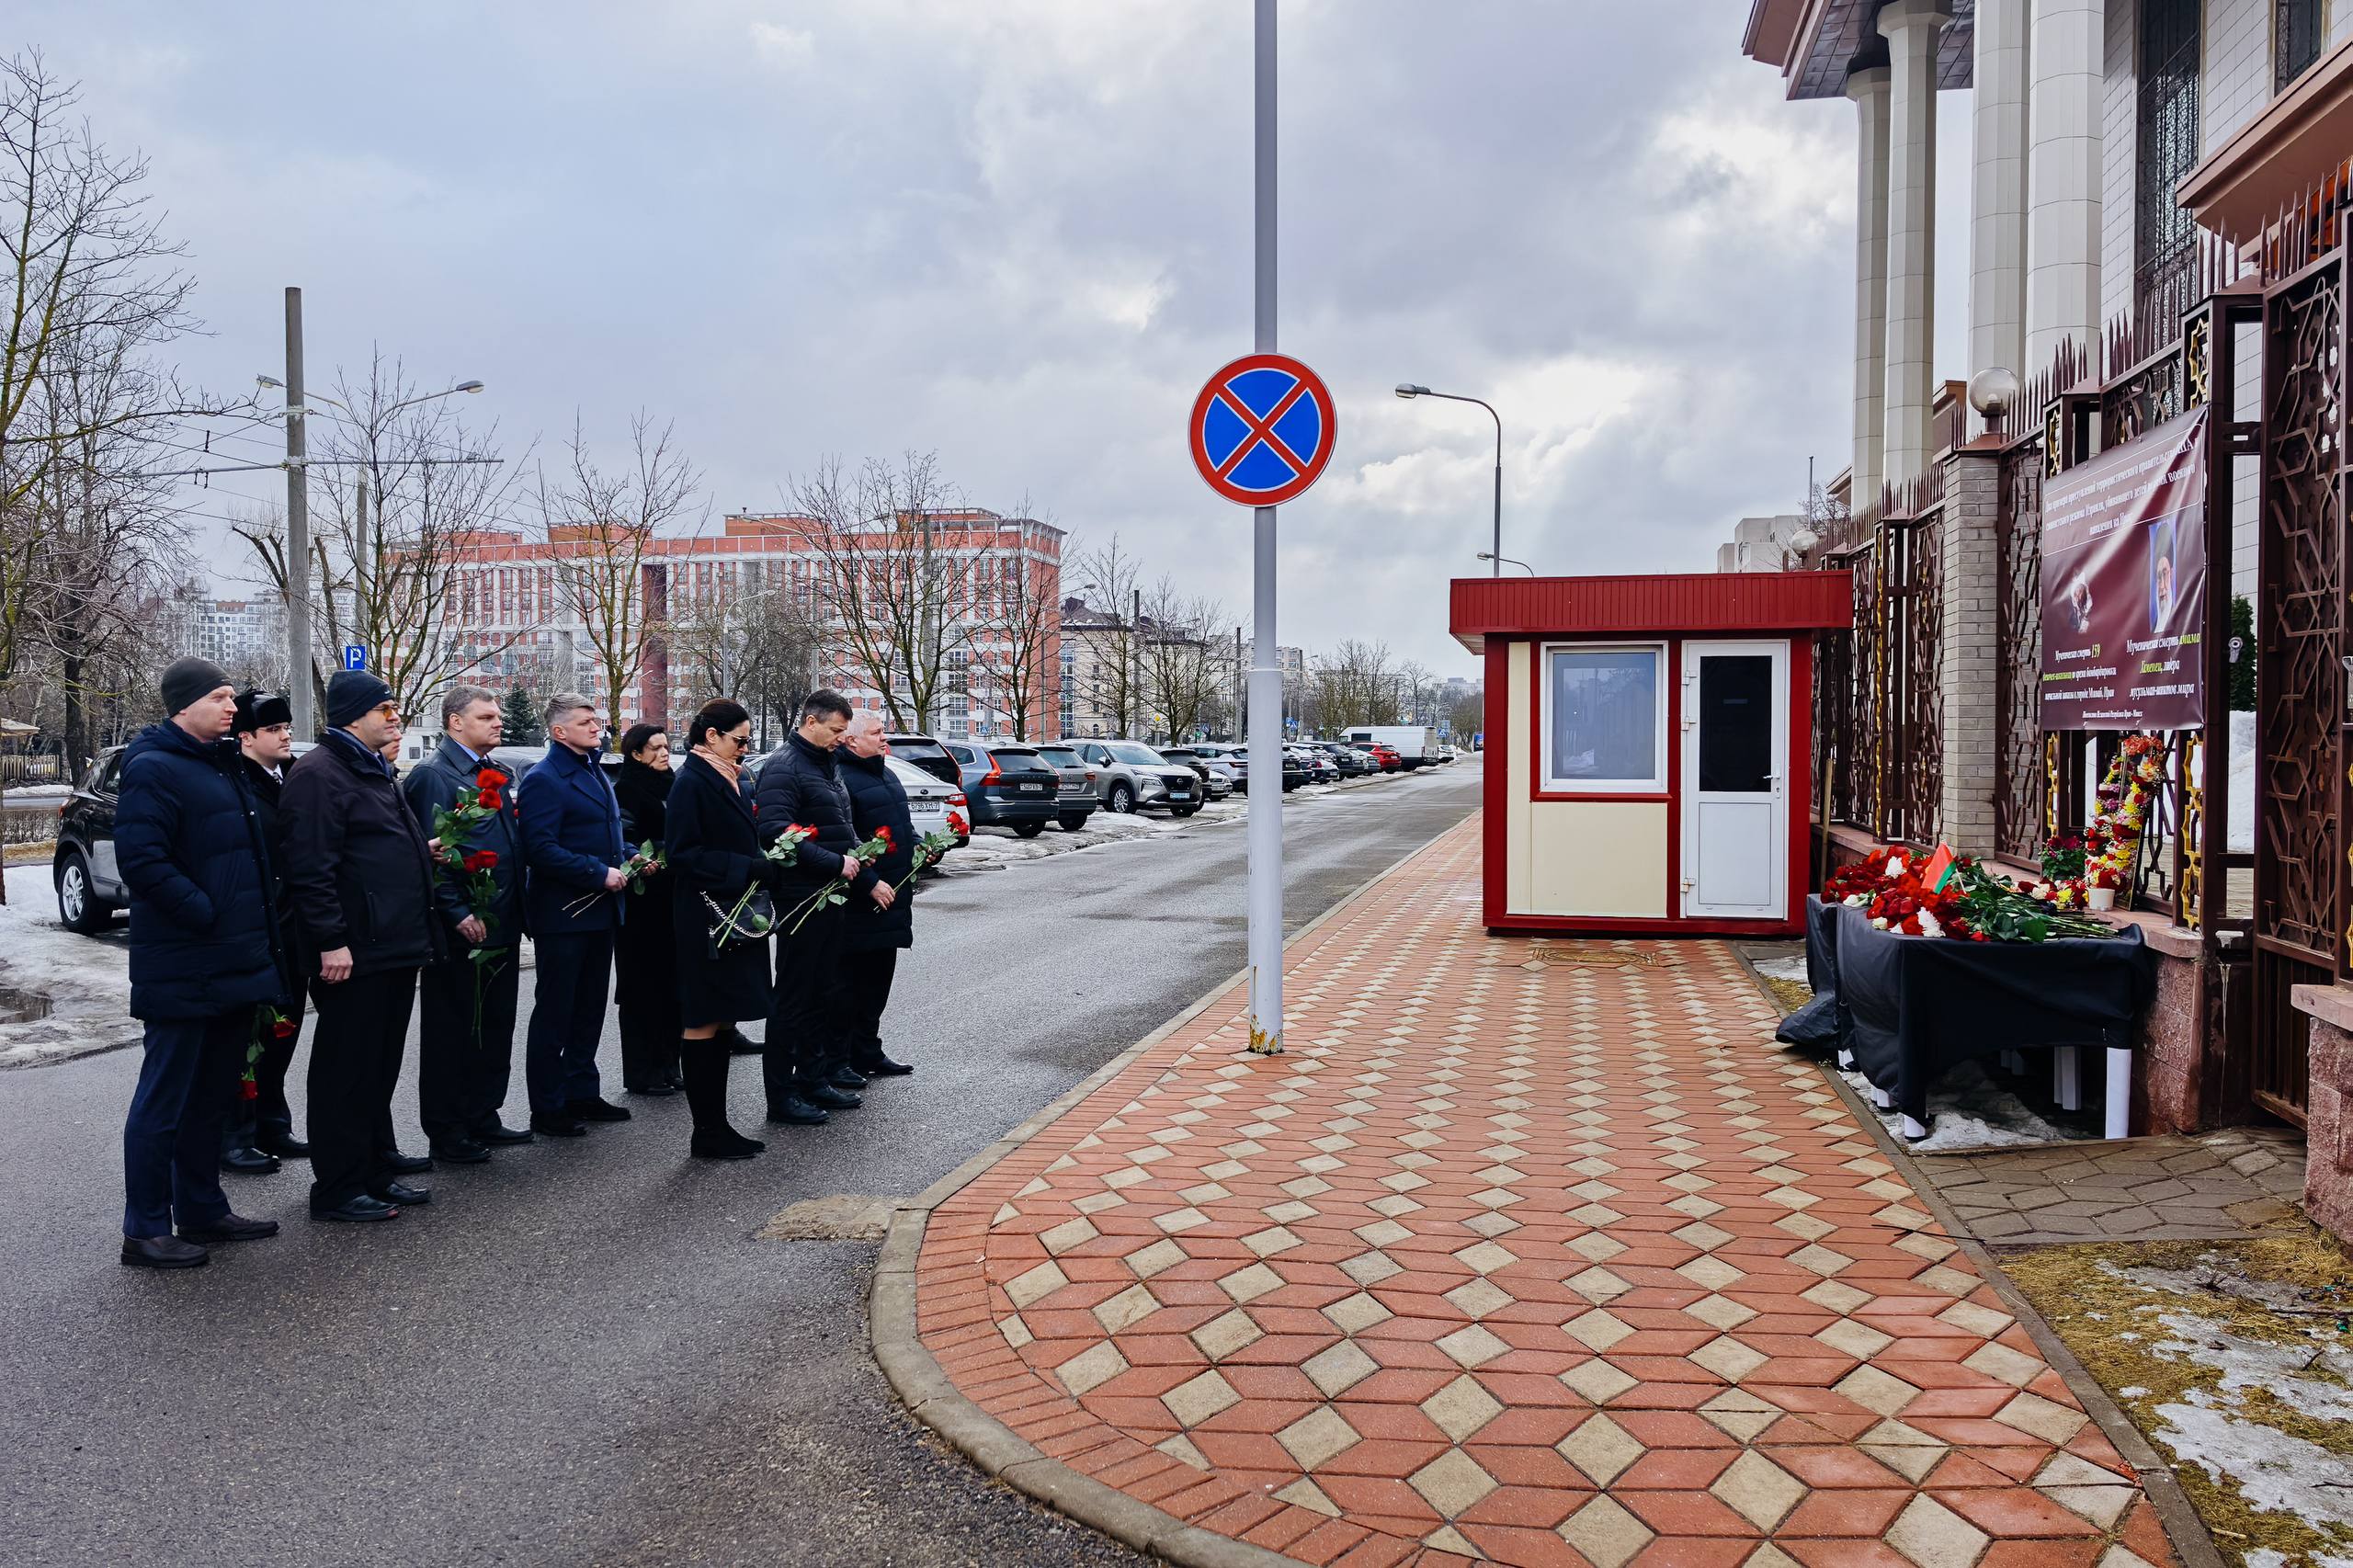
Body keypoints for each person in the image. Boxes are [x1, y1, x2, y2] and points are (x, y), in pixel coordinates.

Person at [114, 657, 290, 1267]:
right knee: (164, 1101)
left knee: (213, 1096)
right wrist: (205, 912)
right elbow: (143, 862)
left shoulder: (221, 765)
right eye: (218, 697)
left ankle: (202, 1208)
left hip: (233, 962)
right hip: (186, 962)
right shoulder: (153, 767)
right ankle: (145, 1228)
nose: (231, 707)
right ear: (183, 705)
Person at [281, 670, 442, 1222]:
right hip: (355, 952)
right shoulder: (319, 774)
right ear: (354, 714)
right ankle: (337, 1188)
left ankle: (373, 1171)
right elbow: (310, 867)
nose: (395, 716)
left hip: (393, 945)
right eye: (386, 708)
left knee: (377, 1068)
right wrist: (331, 941)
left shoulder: (373, 770)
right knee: (344, 1073)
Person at [402, 685, 529, 1164]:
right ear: (456, 722)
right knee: (454, 1028)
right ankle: (447, 1126)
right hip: (465, 926)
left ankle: (483, 1113)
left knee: (494, 1023)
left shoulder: (494, 772)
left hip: (502, 918)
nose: (498, 722)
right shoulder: (436, 776)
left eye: (498, 715)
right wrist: (456, 911)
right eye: (486, 717)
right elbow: (431, 857)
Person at [665, 700, 783, 1158]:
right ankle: (706, 1130)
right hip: (705, 918)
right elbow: (683, 853)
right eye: (740, 740)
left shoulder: (728, 777)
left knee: (726, 1016)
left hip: (732, 913)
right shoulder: (692, 781)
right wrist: (746, 866)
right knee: (704, 1018)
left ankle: (718, 1125)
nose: (746, 748)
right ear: (711, 736)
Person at [755, 688, 869, 1125]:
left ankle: (814, 1077)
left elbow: (838, 824)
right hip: (801, 896)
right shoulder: (784, 767)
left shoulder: (826, 763)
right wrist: (833, 861)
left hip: (830, 893)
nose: (841, 738)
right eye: (836, 730)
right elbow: (775, 830)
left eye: (844, 731)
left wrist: (856, 852)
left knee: (823, 990)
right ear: (810, 722)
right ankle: (781, 1095)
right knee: (794, 997)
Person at [517, 692, 630, 1137]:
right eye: (585, 721)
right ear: (559, 731)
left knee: (588, 1009)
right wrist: (596, 872)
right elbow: (540, 849)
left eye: (596, 718)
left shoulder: (592, 768)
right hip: (563, 913)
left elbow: (606, 833)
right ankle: (546, 1105)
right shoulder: (545, 777)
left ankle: (582, 1090)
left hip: (600, 910)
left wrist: (628, 857)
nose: (596, 725)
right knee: (556, 1011)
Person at [220, 690, 307, 1175]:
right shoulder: (238, 784)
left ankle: (273, 1121)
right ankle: (237, 1132)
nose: (285, 735)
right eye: (274, 730)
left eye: (286, 727)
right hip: (257, 927)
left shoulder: (292, 777)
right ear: (246, 737)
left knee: (284, 1031)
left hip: (294, 930)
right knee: (248, 1037)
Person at [835, 711, 918, 1079]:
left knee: (877, 983)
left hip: (894, 895)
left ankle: (868, 1050)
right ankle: (845, 1056)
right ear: (851, 740)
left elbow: (904, 826)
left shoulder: (886, 772)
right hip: (863, 900)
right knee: (852, 984)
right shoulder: (842, 780)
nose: (885, 738)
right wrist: (867, 881)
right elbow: (844, 839)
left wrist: (920, 848)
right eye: (877, 732)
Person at [613, 722, 682, 1096]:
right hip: (642, 903)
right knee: (642, 988)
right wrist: (647, 853)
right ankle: (642, 1072)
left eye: (666, 746)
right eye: (654, 748)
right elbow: (623, 837)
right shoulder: (627, 788)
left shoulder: (674, 784)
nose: (663, 753)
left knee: (672, 986)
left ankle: (670, 1064)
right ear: (636, 754)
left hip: (672, 898)